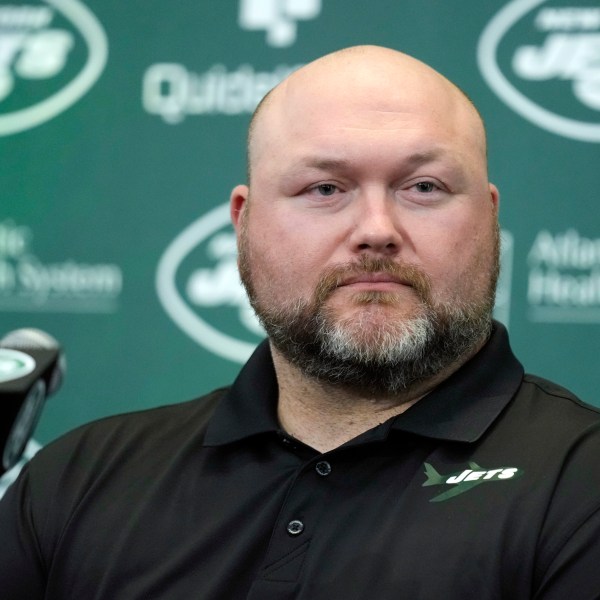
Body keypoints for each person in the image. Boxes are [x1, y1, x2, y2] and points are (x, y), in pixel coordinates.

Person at [1, 45, 599, 599]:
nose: (376, 230)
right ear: (244, 222)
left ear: (490, 219)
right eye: (324, 188)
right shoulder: (78, 482)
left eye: (423, 186)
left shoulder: (584, 484)